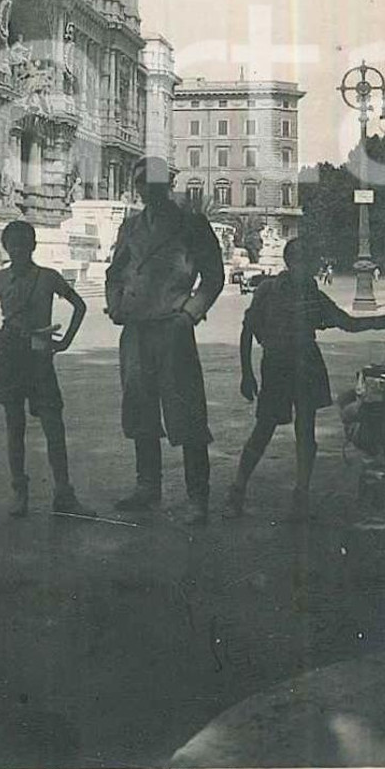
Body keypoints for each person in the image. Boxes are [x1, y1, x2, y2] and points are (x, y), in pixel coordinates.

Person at [223, 237, 385, 522]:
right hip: (279, 366)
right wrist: (247, 373)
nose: (311, 267)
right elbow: (248, 330)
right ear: (293, 262)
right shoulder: (269, 291)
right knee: (264, 430)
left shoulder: (308, 295)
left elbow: (348, 323)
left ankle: (300, 494)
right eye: (307, 261)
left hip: (302, 364)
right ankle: (238, 490)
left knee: (305, 431)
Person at [105, 155, 225, 524]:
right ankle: (147, 487)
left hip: (173, 328)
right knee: (139, 409)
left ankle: (197, 497)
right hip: (136, 329)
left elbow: (213, 276)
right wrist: (116, 304)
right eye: (141, 183)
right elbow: (115, 272)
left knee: (187, 412)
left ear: (167, 186)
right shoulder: (130, 227)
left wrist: (190, 314)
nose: (147, 190)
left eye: (154, 183)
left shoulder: (191, 224)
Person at [0, 220, 93, 519]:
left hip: (39, 356)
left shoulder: (49, 277)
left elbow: (80, 305)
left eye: (24, 245)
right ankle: (19, 492)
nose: (19, 251)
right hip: (9, 355)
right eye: (13, 245)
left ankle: (63, 492)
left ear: (33, 246)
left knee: (53, 424)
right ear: (5, 248)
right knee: (14, 426)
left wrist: (66, 341)